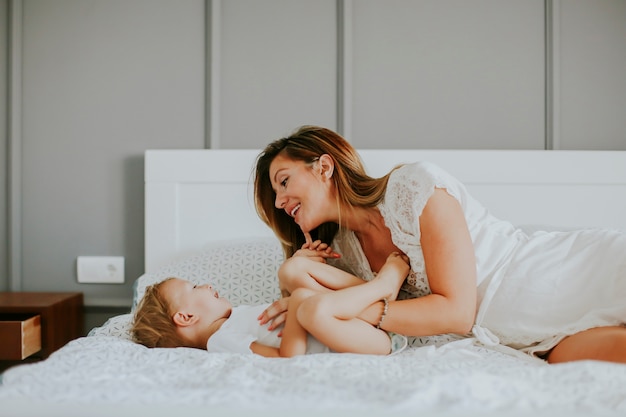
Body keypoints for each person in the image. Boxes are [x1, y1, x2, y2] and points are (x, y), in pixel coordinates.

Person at [253, 125, 626, 364]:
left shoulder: (414, 187)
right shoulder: (344, 255)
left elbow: (456, 312)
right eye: (275, 195)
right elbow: (318, 316)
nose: (281, 202)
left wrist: (346, 308)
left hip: (556, 275)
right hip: (523, 341)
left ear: (324, 167)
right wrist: (295, 273)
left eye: (284, 182)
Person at [131, 243, 409, 357]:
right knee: (311, 307)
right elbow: (286, 357)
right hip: (360, 342)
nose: (206, 285)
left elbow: (282, 323)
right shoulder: (220, 340)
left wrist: (295, 288)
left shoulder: (233, 319)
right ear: (186, 317)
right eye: (194, 287)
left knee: (298, 279)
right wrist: (299, 300)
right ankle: (382, 286)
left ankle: (380, 296)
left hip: (351, 328)